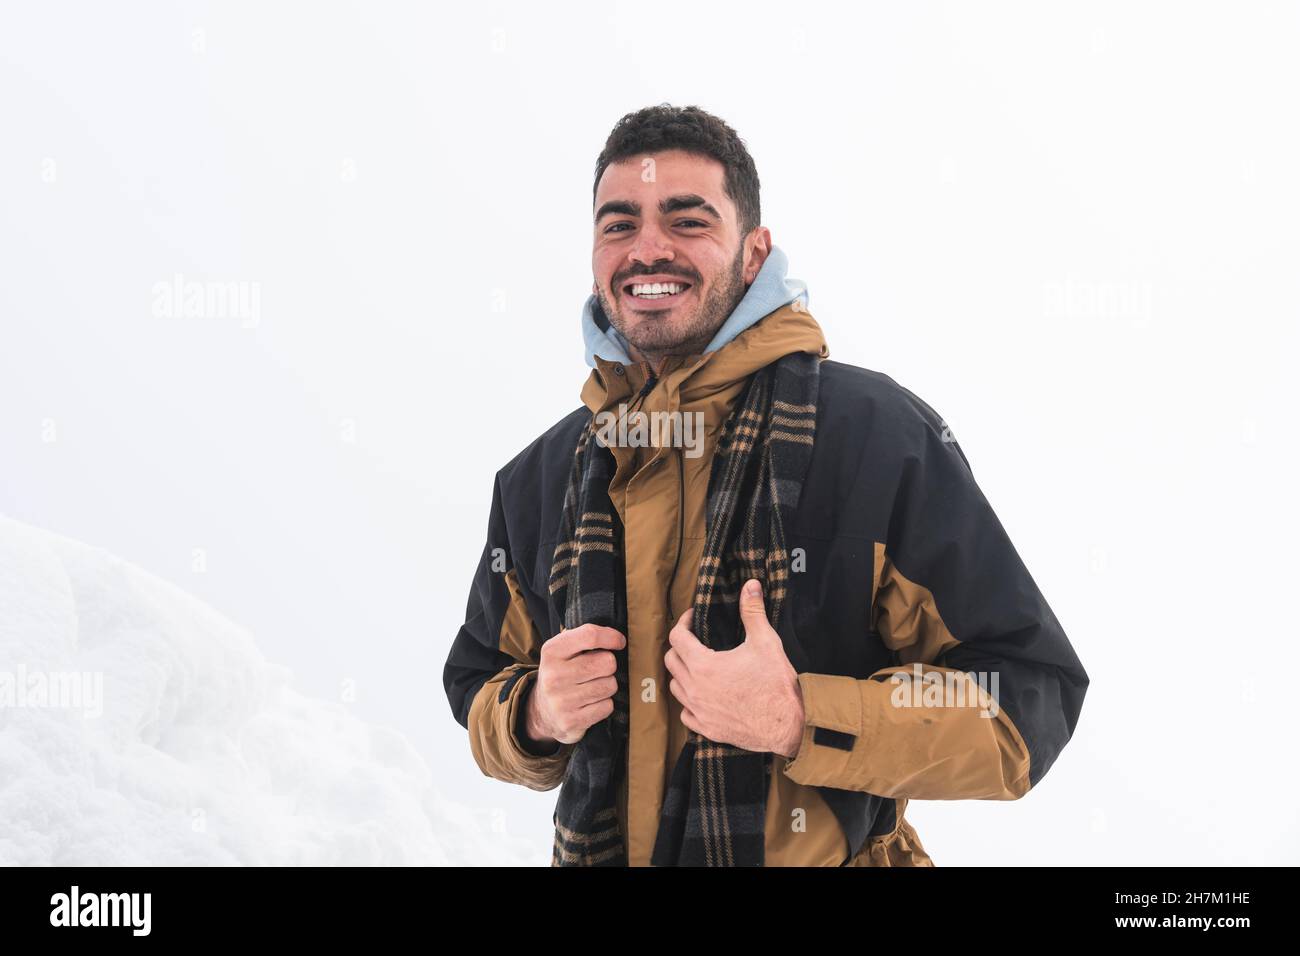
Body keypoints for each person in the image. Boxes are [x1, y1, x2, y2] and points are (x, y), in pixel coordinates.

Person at [442, 103, 1089, 867]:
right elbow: (481, 683)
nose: (647, 248)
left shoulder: (874, 435)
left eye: (687, 221)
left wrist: (801, 716)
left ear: (755, 254)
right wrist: (536, 713)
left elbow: (1028, 699)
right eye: (619, 225)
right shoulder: (541, 476)